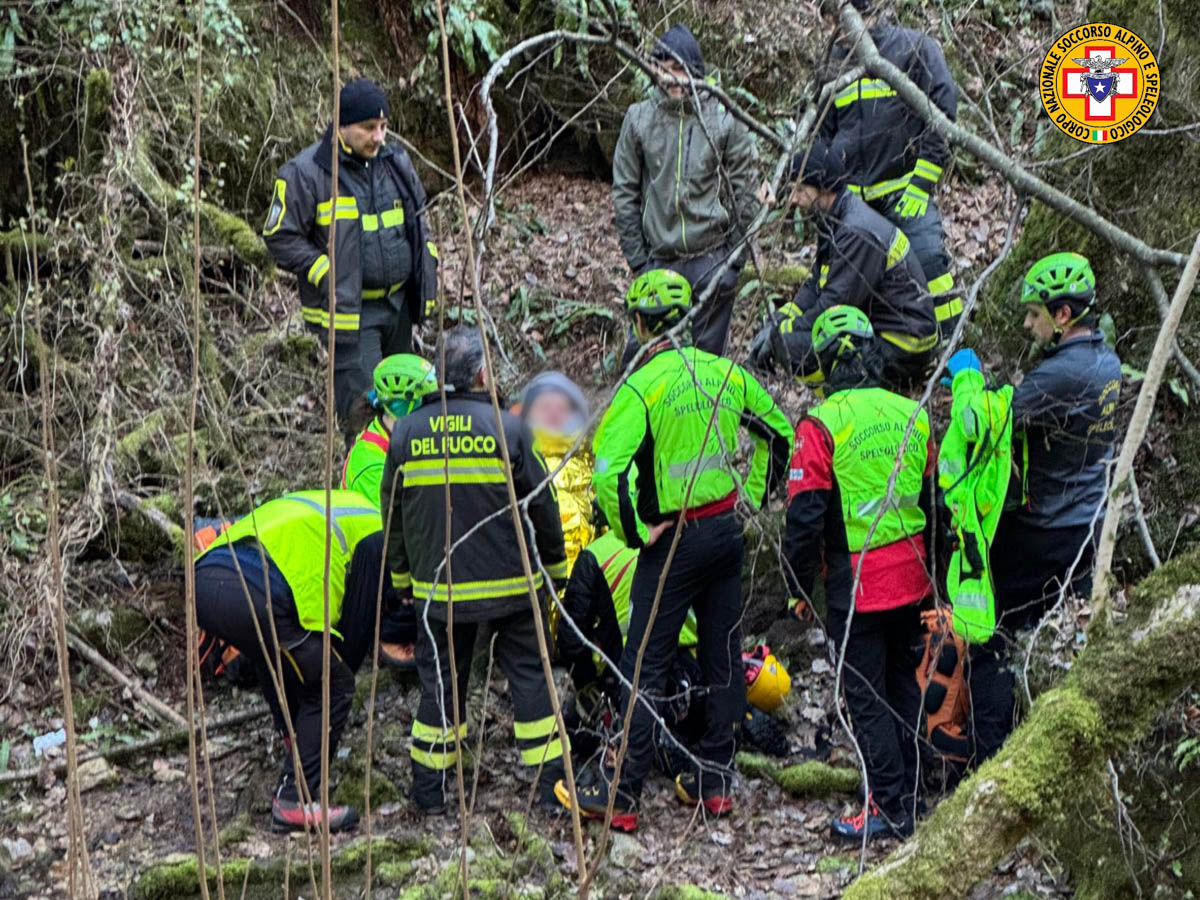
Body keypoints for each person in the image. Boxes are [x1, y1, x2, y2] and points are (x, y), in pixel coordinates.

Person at [556, 268, 793, 831]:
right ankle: (714, 783)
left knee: (644, 664)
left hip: (675, 540)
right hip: (724, 534)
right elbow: (780, 433)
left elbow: (609, 473)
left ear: (639, 326)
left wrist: (638, 531)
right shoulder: (724, 373)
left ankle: (623, 790)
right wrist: (752, 496)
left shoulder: (643, 387)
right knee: (722, 655)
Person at [380, 326, 570, 812]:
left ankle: (429, 794)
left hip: (438, 592)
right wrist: (554, 567)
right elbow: (542, 505)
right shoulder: (508, 428)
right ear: (483, 373)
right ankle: (551, 790)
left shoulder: (405, 432)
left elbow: (394, 517)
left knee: (442, 683)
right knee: (530, 677)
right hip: (511, 585)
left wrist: (402, 581)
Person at [782, 305, 938, 841]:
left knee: (868, 698)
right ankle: (911, 790)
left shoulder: (821, 426)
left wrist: (800, 588)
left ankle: (889, 807)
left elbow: (804, 519)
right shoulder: (912, 413)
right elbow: (934, 502)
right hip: (915, 578)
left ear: (824, 367)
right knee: (903, 687)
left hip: (860, 585)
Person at [965, 252, 1121, 761]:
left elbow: (988, 425)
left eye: (1034, 314)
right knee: (1063, 641)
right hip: (1088, 526)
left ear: (1063, 315)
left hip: (1042, 529)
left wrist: (968, 382)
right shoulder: (1109, 365)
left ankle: (989, 759)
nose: (1027, 325)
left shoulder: (1059, 377)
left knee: (989, 633)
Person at [194, 490, 392, 833]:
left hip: (206, 577)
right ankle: (295, 799)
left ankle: (296, 741)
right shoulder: (376, 532)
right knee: (334, 682)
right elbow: (357, 629)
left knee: (273, 655)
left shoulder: (340, 504)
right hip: (258, 590)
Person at [263, 77, 440, 424]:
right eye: (368, 128)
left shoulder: (396, 163)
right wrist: (327, 274)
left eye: (384, 127)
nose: (379, 137)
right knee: (366, 421)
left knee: (405, 418)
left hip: (399, 309)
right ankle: (361, 477)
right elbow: (279, 237)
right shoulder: (307, 173)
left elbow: (420, 222)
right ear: (342, 126)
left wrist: (427, 261)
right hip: (351, 316)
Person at [612, 24, 759, 357]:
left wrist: (733, 260)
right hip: (659, 257)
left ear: (695, 70)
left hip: (710, 255)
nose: (671, 78)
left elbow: (744, 190)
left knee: (707, 363)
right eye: (663, 69)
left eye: (679, 69)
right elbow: (625, 191)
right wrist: (638, 262)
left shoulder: (721, 117)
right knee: (642, 360)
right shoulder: (639, 118)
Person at [817, 0, 963, 336]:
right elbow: (824, 132)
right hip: (853, 201)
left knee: (931, 269)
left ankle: (955, 354)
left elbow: (942, 115)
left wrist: (922, 181)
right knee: (840, 275)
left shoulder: (913, 48)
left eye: (839, 20)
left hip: (905, 191)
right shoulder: (833, 63)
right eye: (829, 22)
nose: (834, 32)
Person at [749, 140, 938, 392]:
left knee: (793, 345)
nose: (793, 199)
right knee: (787, 338)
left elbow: (834, 304)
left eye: (800, 190)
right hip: (885, 330)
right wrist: (783, 317)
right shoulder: (835, 218)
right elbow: (816, 281)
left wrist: (782, 334)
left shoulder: (854, 231)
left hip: (903, 345)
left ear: (825, 188)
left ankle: (840, 401)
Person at [341, 353, 438, 667]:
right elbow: (390, 536)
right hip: (378, 571)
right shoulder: (370, 463)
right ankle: (392, 632)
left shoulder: (408, 437)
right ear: (405, 406)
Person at [515, 371, 595, 576]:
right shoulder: (519, 462)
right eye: (544, 407)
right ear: (527, 413)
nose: (554, 414)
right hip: (538, 578)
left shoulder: (594, 459)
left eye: (562, 408)